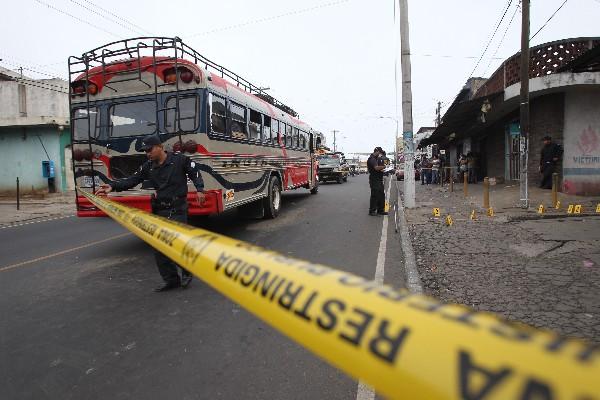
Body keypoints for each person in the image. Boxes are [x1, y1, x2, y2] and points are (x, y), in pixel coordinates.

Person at [95, 134, 206, 292]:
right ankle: (171, 280)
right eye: (145, 151)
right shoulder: (148, 166)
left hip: (178, 208)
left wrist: (200, 189)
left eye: (150, 149)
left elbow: (194, 172)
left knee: (178, 243)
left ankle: (187, 273)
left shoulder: (179, 160)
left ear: (160, 147)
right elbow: (132, 180)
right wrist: (112, 186)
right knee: (159, 246)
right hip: (160, 209)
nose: (147, 153)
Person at [367, 147, 387, 216]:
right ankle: (372, 211)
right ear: (377, 151)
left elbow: (378, 169)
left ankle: (380, 210)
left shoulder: (376, 159)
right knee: (375, 195)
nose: (380, 154)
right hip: (374, 180)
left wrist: (384, 170)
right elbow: (376, 168)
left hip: (379, 179)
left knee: (381, 195)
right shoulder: (371, 159)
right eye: (380, 152)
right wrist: (384, 167)